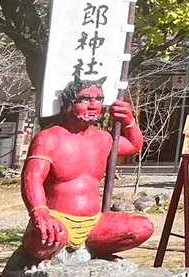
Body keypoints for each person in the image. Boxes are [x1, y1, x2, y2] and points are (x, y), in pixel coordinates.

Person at [12, 75, 153, 266]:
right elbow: (32, 177)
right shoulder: (49, 138)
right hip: (57, 220)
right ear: (68, 103)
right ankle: (48, 254)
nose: (93, 105)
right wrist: (40, 213)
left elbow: (133, 145)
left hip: (94, 224)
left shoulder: (103, 139)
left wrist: (129, 121)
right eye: (85, 99)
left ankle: (91, 250)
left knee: (143, 227)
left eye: (99, 99)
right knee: (48, 237)